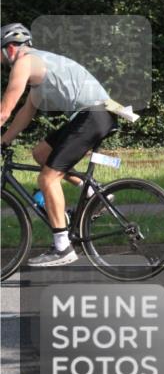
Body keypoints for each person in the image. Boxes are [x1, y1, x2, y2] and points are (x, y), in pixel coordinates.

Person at [0, 23, 117, 267]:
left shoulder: (23, 63)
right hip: (92, 114)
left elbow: (5, 110)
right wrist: (4, 140)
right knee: (41, 154)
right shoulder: (38, 64)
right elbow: (24, 113)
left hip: (91, 115)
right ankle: (92, 193)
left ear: (10, 49)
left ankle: (63, 247)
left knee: (47, 179)